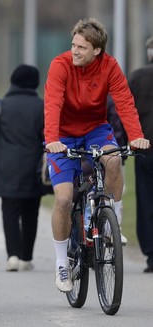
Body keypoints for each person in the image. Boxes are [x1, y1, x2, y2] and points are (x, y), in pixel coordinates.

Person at [44, 18, 150, 292]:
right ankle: (61, 265)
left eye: (82, 47)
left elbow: (125, 101)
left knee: (114, 159)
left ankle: (111, 220)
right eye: (73, 45)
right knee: (65, 199)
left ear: (97, 51)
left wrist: (136, 135)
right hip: (63, 135)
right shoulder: (61, 64)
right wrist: (52, 139)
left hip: (95, 129)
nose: (75, 51)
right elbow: (53, 101)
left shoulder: (110, 66)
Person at [0, 64, 45, 272]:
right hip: (34, 167)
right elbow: (48, 137)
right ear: (35, 83)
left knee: (9, 211)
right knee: (31, 212)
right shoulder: (42, 106)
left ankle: (13, 256)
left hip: (5, 167)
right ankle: (26, 257)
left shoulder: (1, 105)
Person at [128, 36, 153, 273]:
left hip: (144, 148)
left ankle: (151, 254)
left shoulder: (137, 77)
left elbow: (123, 108)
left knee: (146, 201)